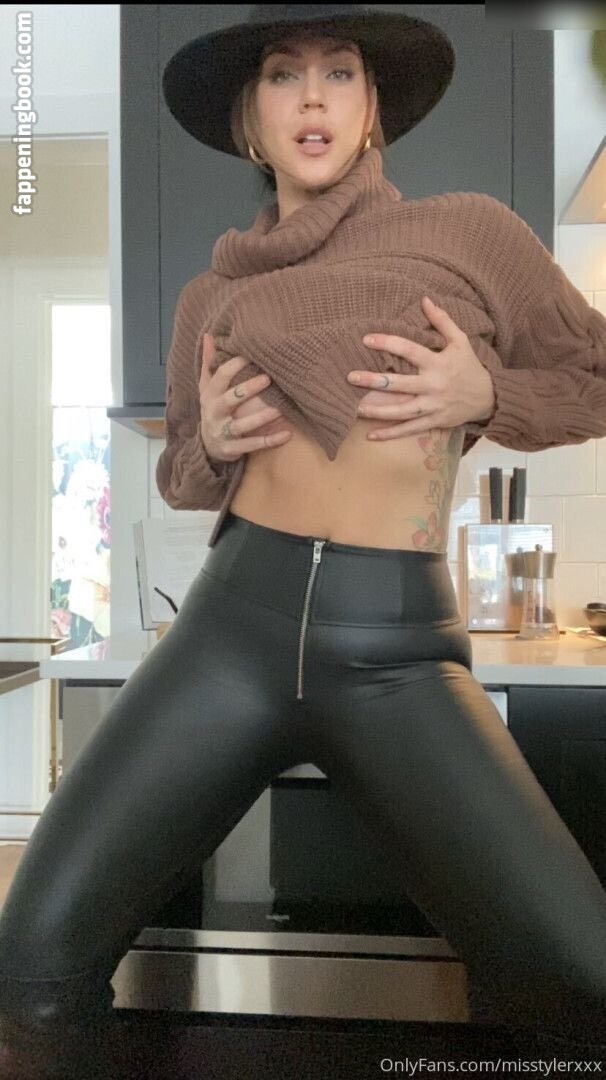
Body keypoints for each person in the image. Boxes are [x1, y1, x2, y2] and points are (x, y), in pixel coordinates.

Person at [2, 5, 606, 1071]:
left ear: (374, 111)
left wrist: (489, 393)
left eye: (341, 73)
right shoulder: (213, 295)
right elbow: (183, 474)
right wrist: (210, 441)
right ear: (251, 119)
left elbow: (593, 376)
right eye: (284, 75)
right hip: (231, 627)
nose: (314, 96)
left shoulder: (470, 233)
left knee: (584, 979)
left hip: (397, 651)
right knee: (30, 968)